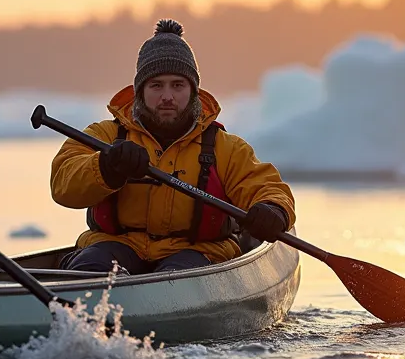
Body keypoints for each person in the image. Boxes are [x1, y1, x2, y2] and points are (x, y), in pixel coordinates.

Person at [50, 19, 296, 274]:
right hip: (112, 248)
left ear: (193, 91)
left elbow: (268, 187)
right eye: (156, 85)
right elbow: (62, 182)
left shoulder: (226, 148)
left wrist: (273, 210)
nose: (167, 96)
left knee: (176, 278)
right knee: (90, 269)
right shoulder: (104, 136)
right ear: (140, 91)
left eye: (177, 85)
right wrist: (106, 166)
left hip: (198, 255)